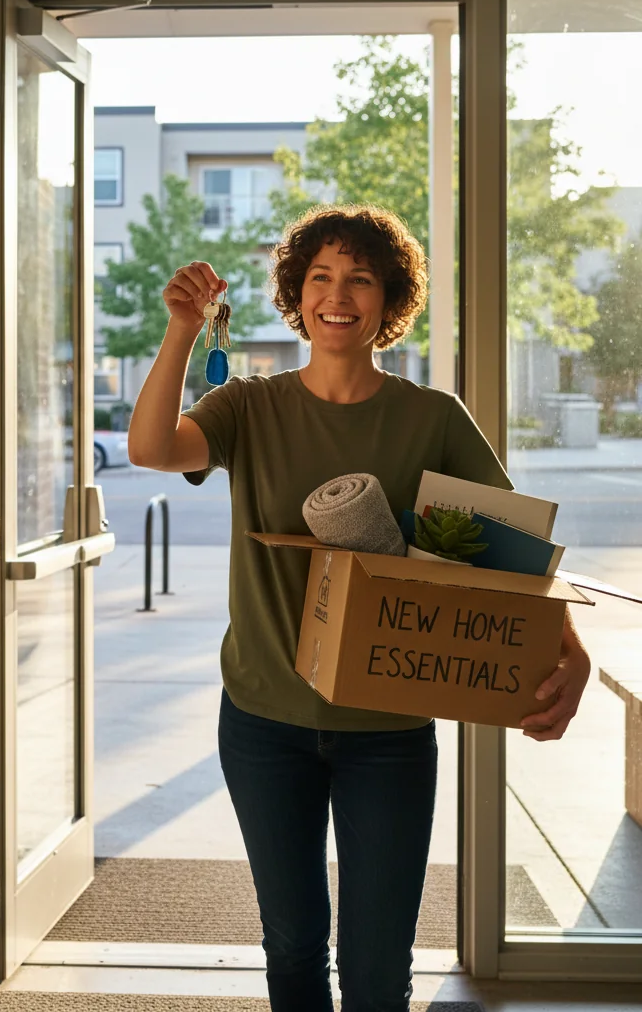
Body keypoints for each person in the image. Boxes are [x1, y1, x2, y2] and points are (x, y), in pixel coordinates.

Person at [126, 204, 592, 1012]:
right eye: (320, 278)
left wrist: (572, 653)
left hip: (390, 733)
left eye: (360, 279)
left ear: (388, 300)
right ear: (296, 295)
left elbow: (513, 558)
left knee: (378, 967)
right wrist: (179, 331)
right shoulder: (248, 407)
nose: (337, 295)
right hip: (265, 720)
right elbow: (152, 449)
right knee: (294, 947)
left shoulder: (432, 419)